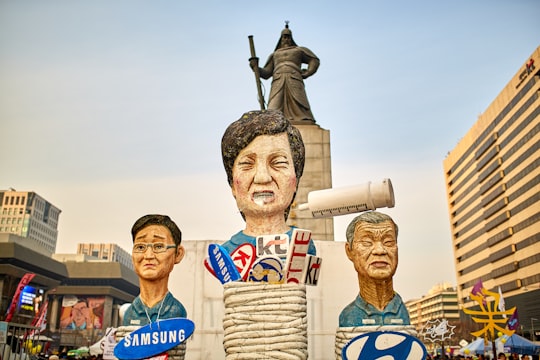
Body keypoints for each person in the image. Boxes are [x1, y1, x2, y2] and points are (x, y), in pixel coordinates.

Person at [220, 109, 316, 255]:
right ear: (233, 184)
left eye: (277, 162)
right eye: (247, 164)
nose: (263, 178)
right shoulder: (226, 254)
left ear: (295, 179)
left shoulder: (302, 245)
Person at [339, 211, 410, 326]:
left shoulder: (404, 311)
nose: (380, 250)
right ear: (349, 251)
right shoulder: (348, 316)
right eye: (367, 242)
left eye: (388, 242)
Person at [122, 214, 187, 326]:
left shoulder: (177, 311)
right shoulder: (129, 313)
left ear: (178, 254)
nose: (148, 255)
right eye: (140, 247)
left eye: (158, 246)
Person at [249, 23, 320, 124]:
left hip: (294, 77)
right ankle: (272, 123)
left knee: (299, 102)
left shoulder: (298, 50)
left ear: (291, 39)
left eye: (288, 37)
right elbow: (266, 73)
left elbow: (314, 60)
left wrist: (308, 72)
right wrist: (255, 67)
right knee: (273, 107)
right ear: (280, 39)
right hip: (278, 80)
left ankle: (303, 119)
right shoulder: (275, 54)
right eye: (284, 37)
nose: (286, 39)